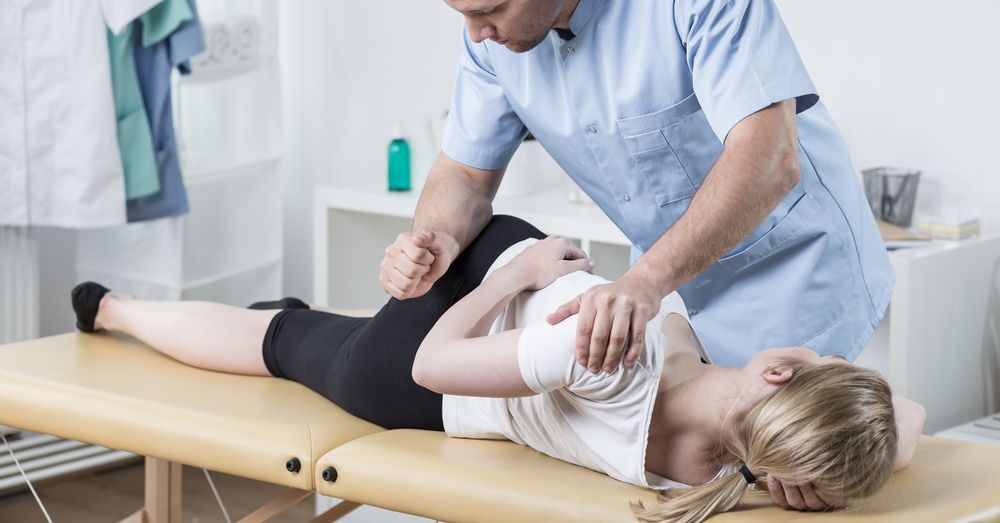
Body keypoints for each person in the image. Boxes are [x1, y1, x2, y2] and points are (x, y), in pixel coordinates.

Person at [384, 0, 894, 424]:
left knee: (804, 466)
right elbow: (465, 174)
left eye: (489, 11)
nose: (477, 34)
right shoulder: (490, 40)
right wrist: (431, 242)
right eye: (464, 16)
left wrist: (645, 283)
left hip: (793, 274)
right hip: (669, 291)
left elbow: (769, 160)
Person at [71, 216, 923, 522]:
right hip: (508, 315)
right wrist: (819, 479)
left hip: (427, 366)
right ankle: (307, 321)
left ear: (779, 375)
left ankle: (112, 309)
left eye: (822, 363)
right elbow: (904, 422)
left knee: (285, 345)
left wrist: (509, 278)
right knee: (327, 328)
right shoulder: (727, 470)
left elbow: (436, 363)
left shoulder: (600, 357)